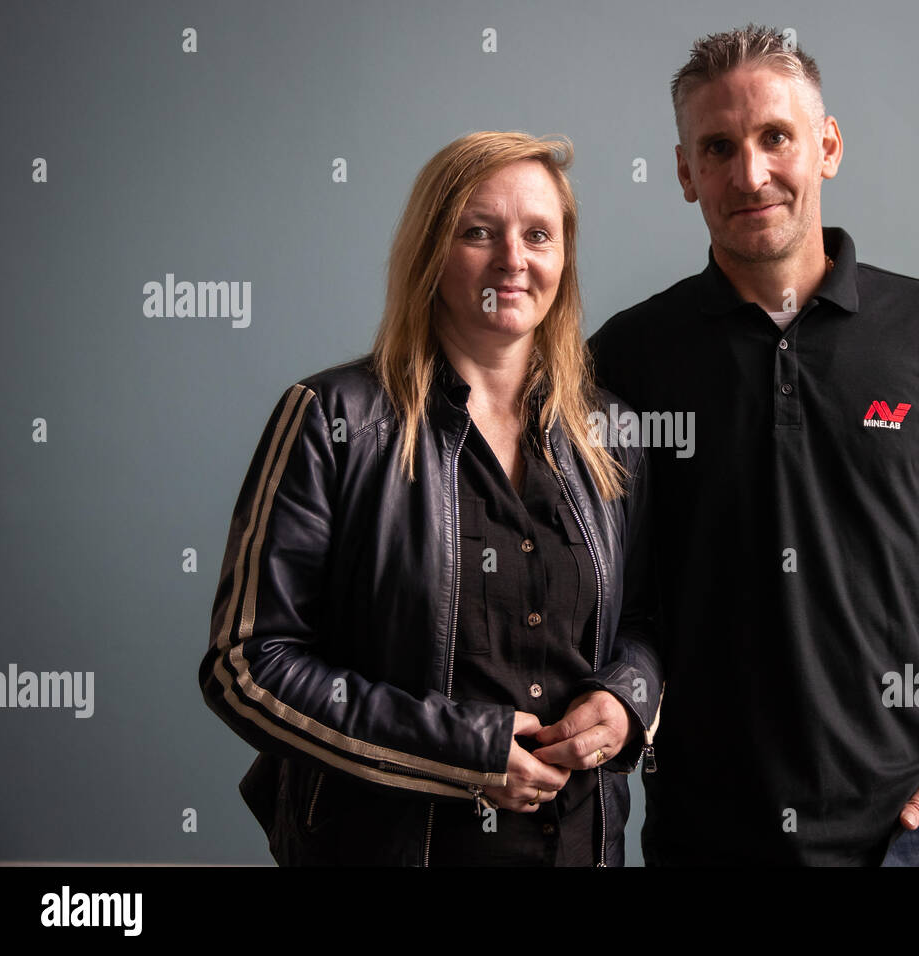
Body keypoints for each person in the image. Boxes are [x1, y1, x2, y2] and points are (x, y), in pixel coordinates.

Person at [588, 25, 919, 866]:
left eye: (777, 138)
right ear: (686, 172)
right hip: (706, 835)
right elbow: (610, 595)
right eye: (719, 148)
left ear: (827, 146)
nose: (751, 173)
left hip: (907, 836)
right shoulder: (629, 357)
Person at [199, 131, 661, 867]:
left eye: (538, 234)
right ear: (431, 251)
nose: (513, 259)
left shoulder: (612, 433)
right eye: (479, 232)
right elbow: (248, 666)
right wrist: (460, 752)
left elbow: (643, 620)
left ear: (563, 259)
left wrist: (627, 702)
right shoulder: (331, 418)